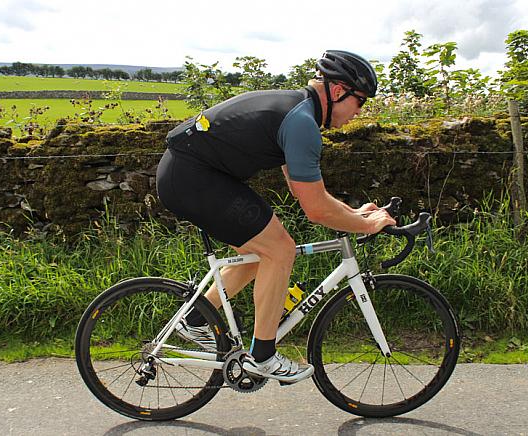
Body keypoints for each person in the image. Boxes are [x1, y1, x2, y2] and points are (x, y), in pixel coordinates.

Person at [155, 50, 396, 384]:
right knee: (280, 249)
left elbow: (307, 193)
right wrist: (366, 224)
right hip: (192, 178)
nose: (359, 112)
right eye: (361, 102)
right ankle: (263, 357)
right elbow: (316, 210)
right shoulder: (301, 123)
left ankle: (195, 319)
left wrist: (353, 214)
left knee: (259, 253)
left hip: (191, 174)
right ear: (339, 91)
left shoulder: (298, 111)